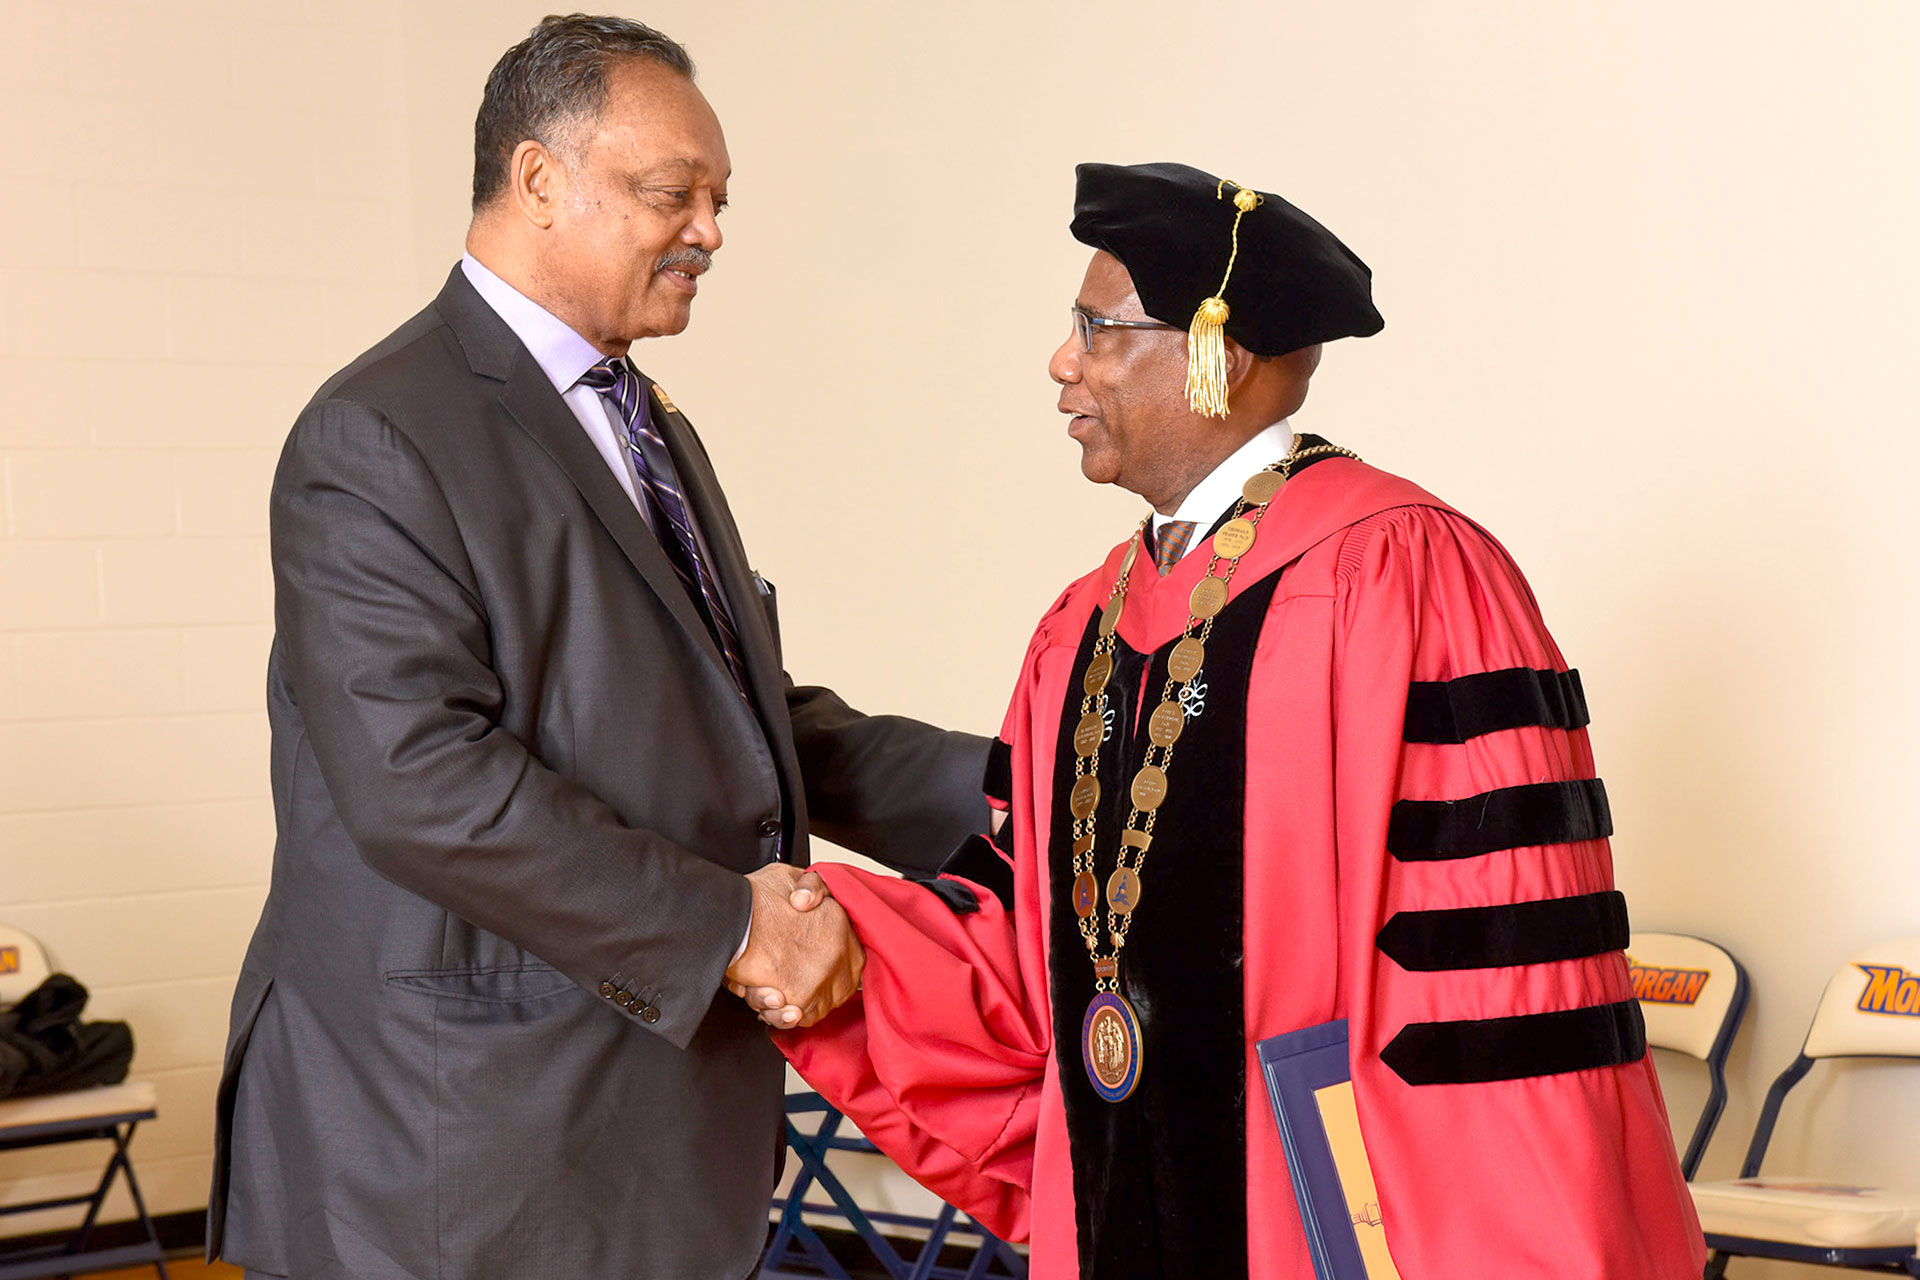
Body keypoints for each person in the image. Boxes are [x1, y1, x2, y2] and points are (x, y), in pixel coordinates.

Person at [768, 163, 1708, 1278]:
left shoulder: (1403, 574)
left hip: (1331, 1209)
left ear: (1221, 354)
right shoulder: (1084, 623)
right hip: (1122, 1182)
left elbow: (1495, 974)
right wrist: (812, 929)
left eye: (1097, 328)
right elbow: (1023, 928)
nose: (1062, 361)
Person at [208, 16, 986, 1280]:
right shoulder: (378, 435)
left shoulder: (645, 423)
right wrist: (731, 927)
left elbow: (741, 715)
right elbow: (421, 783)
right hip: (459, 1159)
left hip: (635, 1145)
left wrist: (1021, 793)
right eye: (672, 193)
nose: (711, 232)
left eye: (719, 200)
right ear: (537, 181)